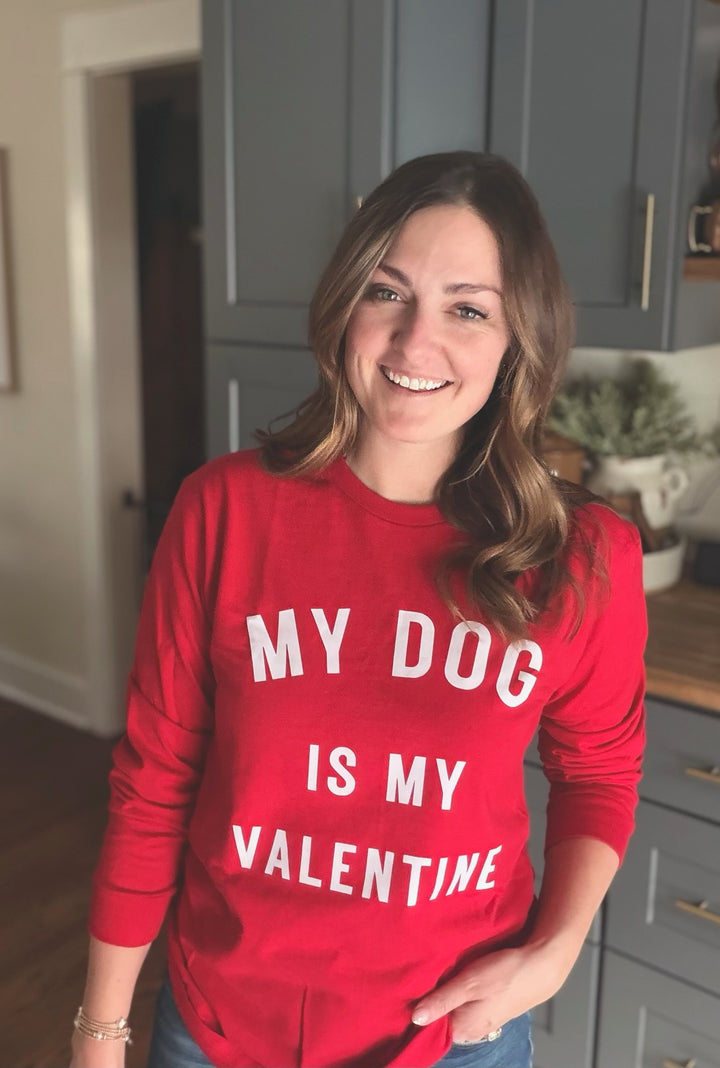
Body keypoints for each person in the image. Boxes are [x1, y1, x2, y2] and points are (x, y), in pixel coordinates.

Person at [70, 151, 646, 1068]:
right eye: (387, 293)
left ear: (517, 337)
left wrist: (552, 952)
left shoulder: (582, 559)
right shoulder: (225, 511)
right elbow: (155, 781)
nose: (417, 344)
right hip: (221, 1027)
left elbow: (600, 773)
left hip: (454, 1039)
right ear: (345, 307)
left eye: (467, 307)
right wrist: (101, 1031)